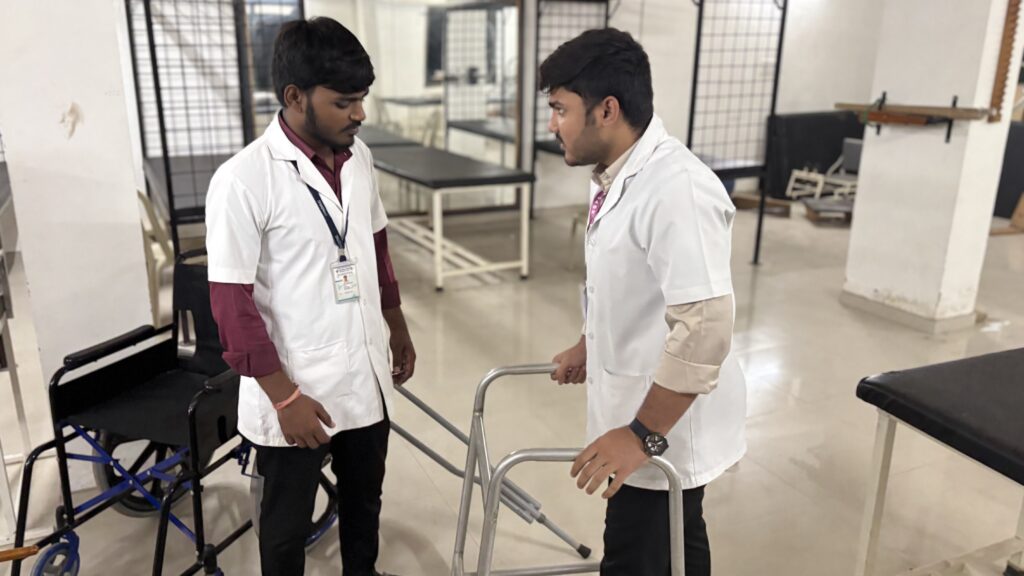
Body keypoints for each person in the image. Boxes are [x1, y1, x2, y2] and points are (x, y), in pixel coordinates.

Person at [205, 17, 414, 576]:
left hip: (363, 375)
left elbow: (375, 246)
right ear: (295, 97)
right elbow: (231, 305)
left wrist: (396, 325)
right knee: (284, 530)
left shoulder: (359, 158)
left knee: (364, 504)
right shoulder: (244, 180)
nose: (359, 114)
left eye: (362, 99)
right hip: (295, 389)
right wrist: (284, 398)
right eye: (344, 102)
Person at [544, 28, 747, 576]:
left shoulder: (677, 188)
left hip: (663, 428)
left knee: (638, 554)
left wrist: (641, 435)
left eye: (560, 109)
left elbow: (705, 326)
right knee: (678, 544)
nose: (552, 125)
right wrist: (589, 341)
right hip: (638, 406)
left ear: (607, 110)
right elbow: (624, 282)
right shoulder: (611, 175)